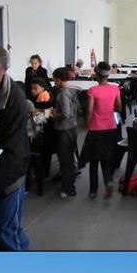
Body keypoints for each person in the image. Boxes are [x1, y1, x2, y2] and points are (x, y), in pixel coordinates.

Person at [0, 44, 31, 250]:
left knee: (7, 233)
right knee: (1, 231)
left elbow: (14, 149)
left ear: (5, 69)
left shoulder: (16, 101)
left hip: (10, 174)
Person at [83, 61, 122, 199]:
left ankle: (93, 190)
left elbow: (89, 110)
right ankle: (108, 181)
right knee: (106, 158)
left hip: (95, 129)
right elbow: (119, 107)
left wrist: (87, 123)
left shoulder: (93, 90)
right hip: (110, 127)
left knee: (94, 161)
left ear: (96, 75)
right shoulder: (115, 89)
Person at [51, 67, 80, 198]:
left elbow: (65, 113)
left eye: (54, 80)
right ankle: (68, 185)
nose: (53, 83)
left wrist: (54, 114)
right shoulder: (73, 91)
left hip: (64, 129)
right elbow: (77, 110)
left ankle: (68, 190)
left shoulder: (62, 94)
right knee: (68, 159)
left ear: (58, 80)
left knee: (65, 161)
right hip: (73, 127)